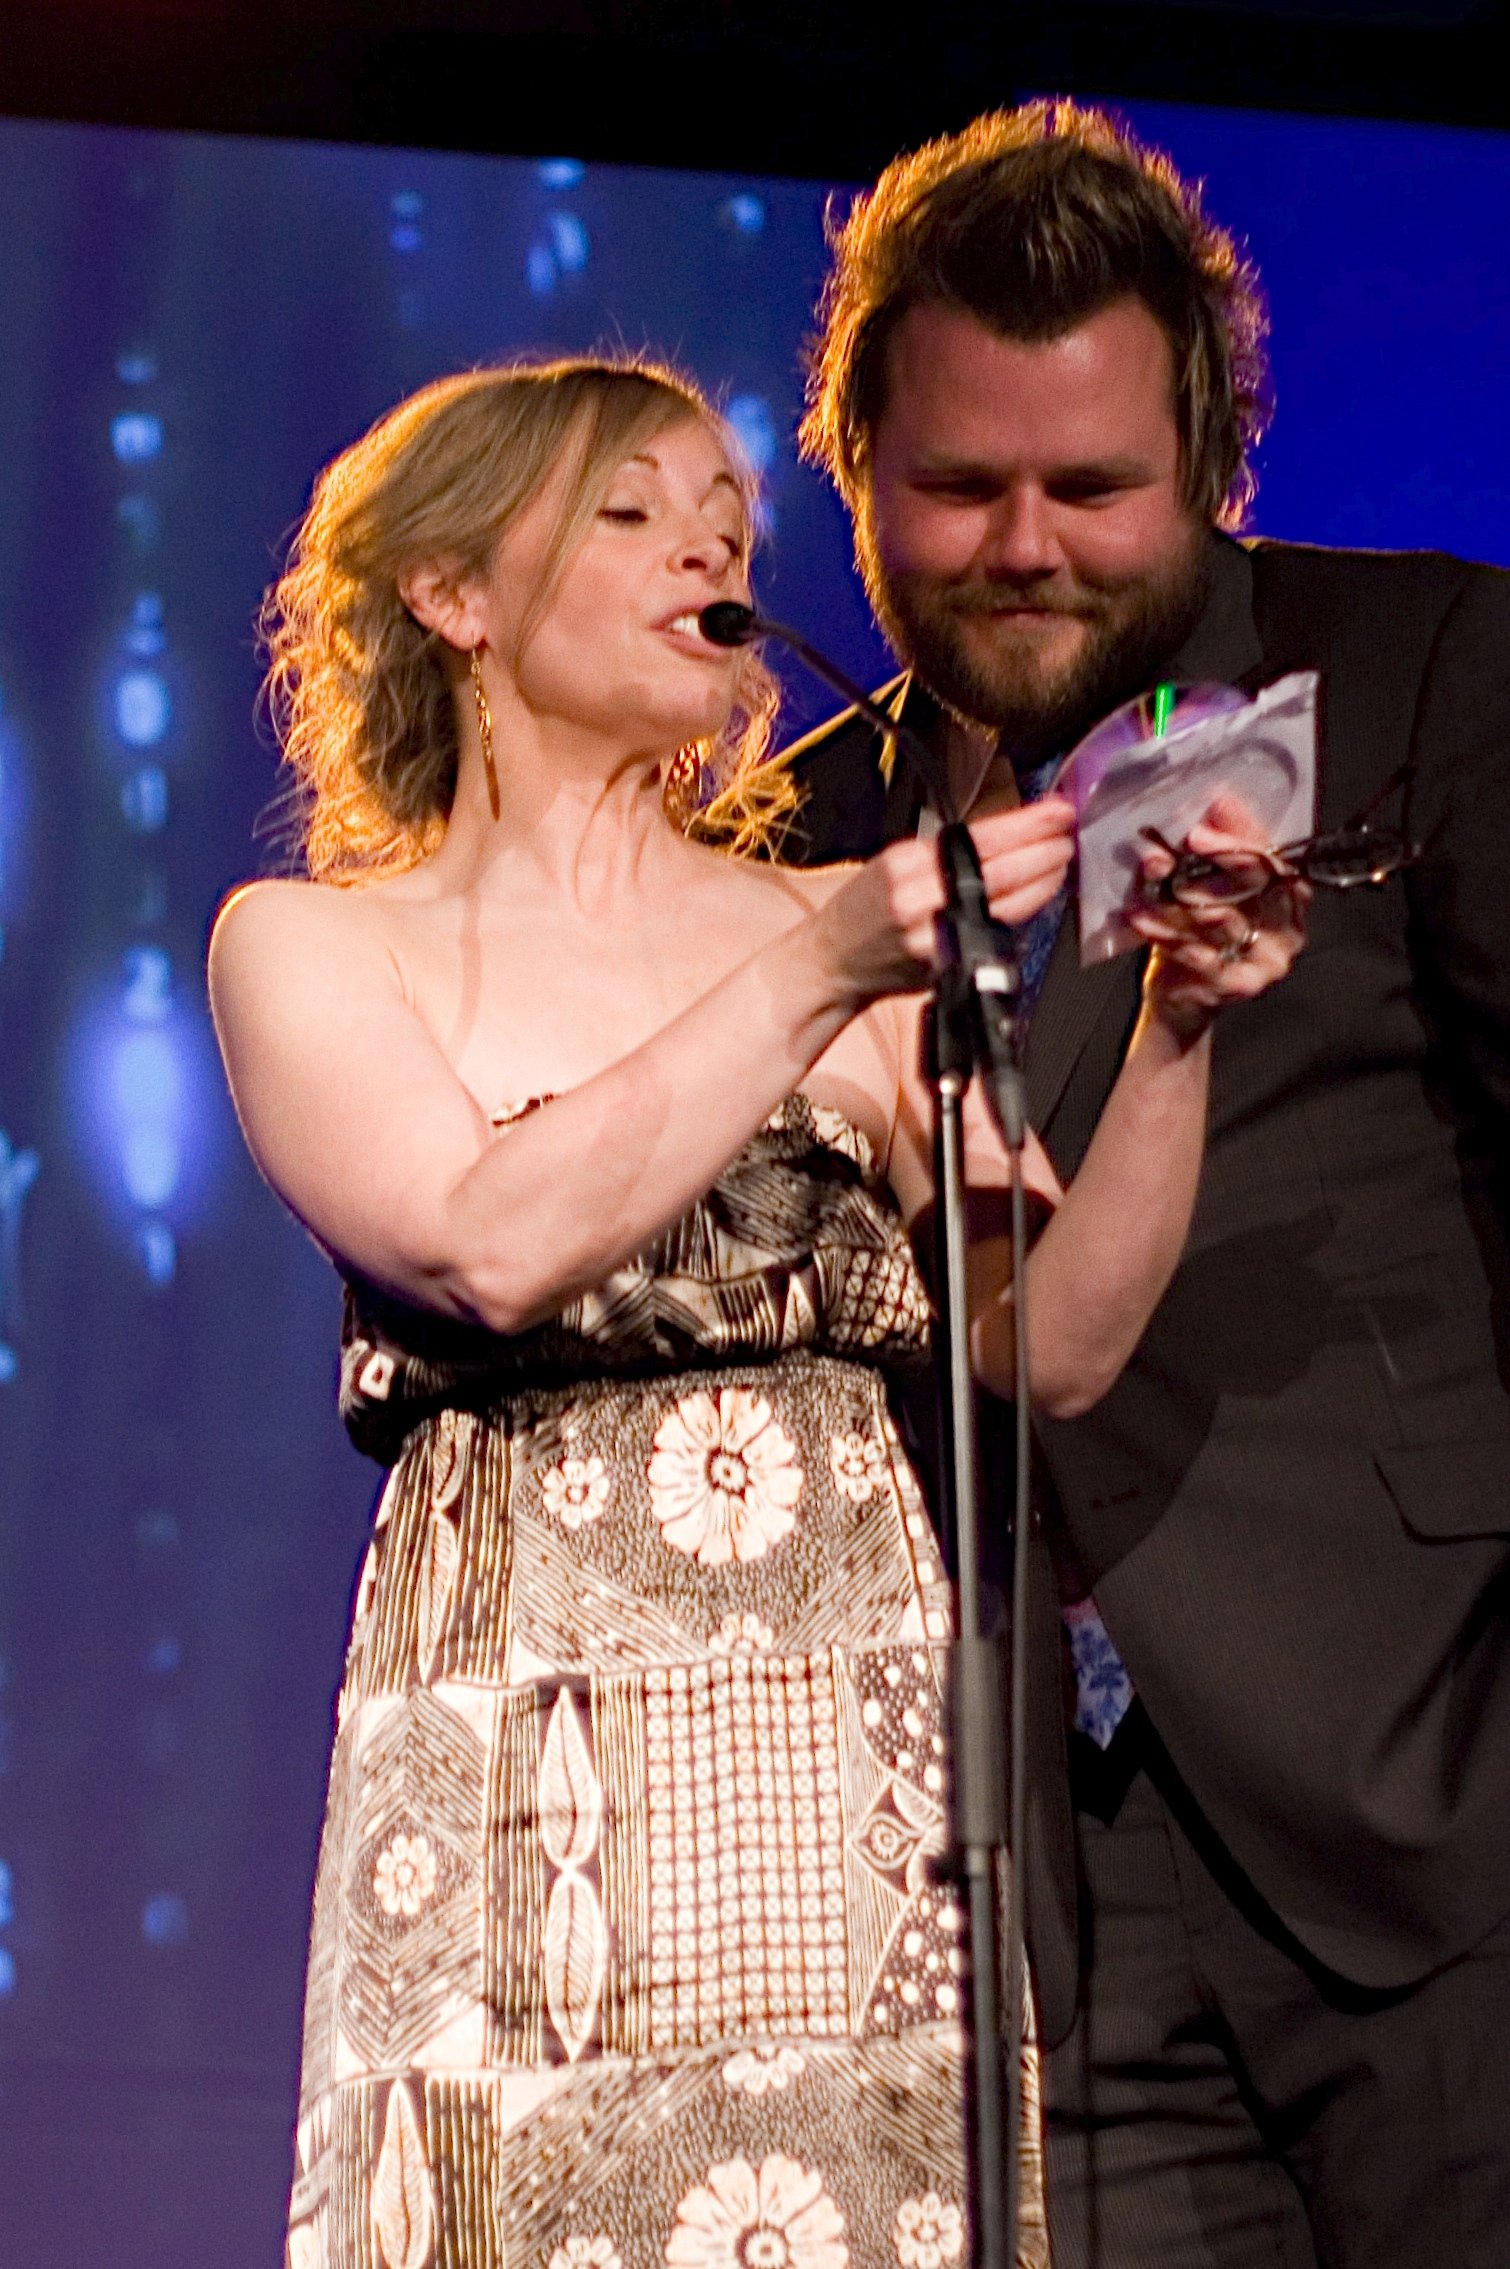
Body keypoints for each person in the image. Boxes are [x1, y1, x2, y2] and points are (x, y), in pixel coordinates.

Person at [207, 353, 1302, 2269]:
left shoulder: (827, 943)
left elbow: (1044, 1342)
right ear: (453, 594)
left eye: (721, 512)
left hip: (837, 1794)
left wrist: (1178, 1029)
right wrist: (817, 966)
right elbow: (479, 1239)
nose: (700, 542)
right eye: (625, 511)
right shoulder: (312, 946)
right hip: (514, 1785)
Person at [789, 96, 1510, 2269]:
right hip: (1016, 1896)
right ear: (854, 472)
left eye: (1091, 488)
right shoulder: (792, 851)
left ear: (1211, 467)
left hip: (1427, 1803)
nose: (1025, 542)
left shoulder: (1424, 674)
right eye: (958, 484)